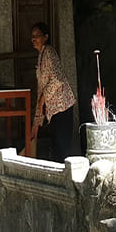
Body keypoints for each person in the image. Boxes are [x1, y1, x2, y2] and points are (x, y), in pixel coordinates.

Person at [29, 22, 76, 162]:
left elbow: (58, 79)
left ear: (46, 37)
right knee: (57, 149)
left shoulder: (48, 51)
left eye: (37, 36)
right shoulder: (41, 56)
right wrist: (36, 123)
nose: (33, 39)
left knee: (62, 150)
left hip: (62, 107)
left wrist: (43, 98)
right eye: (32, 36)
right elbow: (41, 91)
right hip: (54, 111)